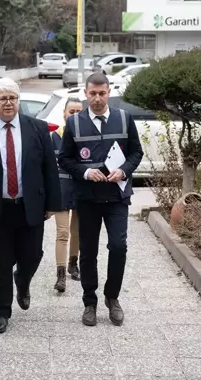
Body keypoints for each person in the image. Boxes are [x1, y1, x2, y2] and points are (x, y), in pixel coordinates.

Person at [0, 77, 61, 334]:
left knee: (32, 255)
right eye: (3, 98)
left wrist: (53, 203)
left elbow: (50, 168)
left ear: (18, 100)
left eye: (13, 98)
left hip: (30, 205)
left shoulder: (38, 128)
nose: (8, 103)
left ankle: (23, 280)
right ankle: (1, 311)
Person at [58, 73, 143, 327]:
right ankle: (89, 302)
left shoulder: (124, 119)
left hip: (117, 196)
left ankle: (112, 297)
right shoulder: (74, 123)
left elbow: (137, 151)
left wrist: (124, 170)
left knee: (118, 247)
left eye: (102, 93)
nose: (97, 98)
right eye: (92, 93)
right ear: (85, 93)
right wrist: (85, 172)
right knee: (88, 252)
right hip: (88, 198)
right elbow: (65, 158)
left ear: (109, 92)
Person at [51, 97, 82, 293]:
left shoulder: (86, 137)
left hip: (80, 190)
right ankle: (60, 274)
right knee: (62, 233)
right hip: (61, 191)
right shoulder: (53, 137)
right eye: (72, 111)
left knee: (77, 232)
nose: (75, 115)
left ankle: (73, 264)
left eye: (79, 111)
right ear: (64, 113)